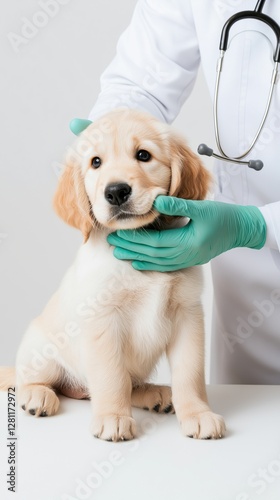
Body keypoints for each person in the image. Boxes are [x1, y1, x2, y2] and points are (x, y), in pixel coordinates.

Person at [77, 0, 280, 384]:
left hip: (246, 232)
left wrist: (256, 225)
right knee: (247, 425)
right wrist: (110, 131)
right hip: (247, 300)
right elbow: (142, 80)